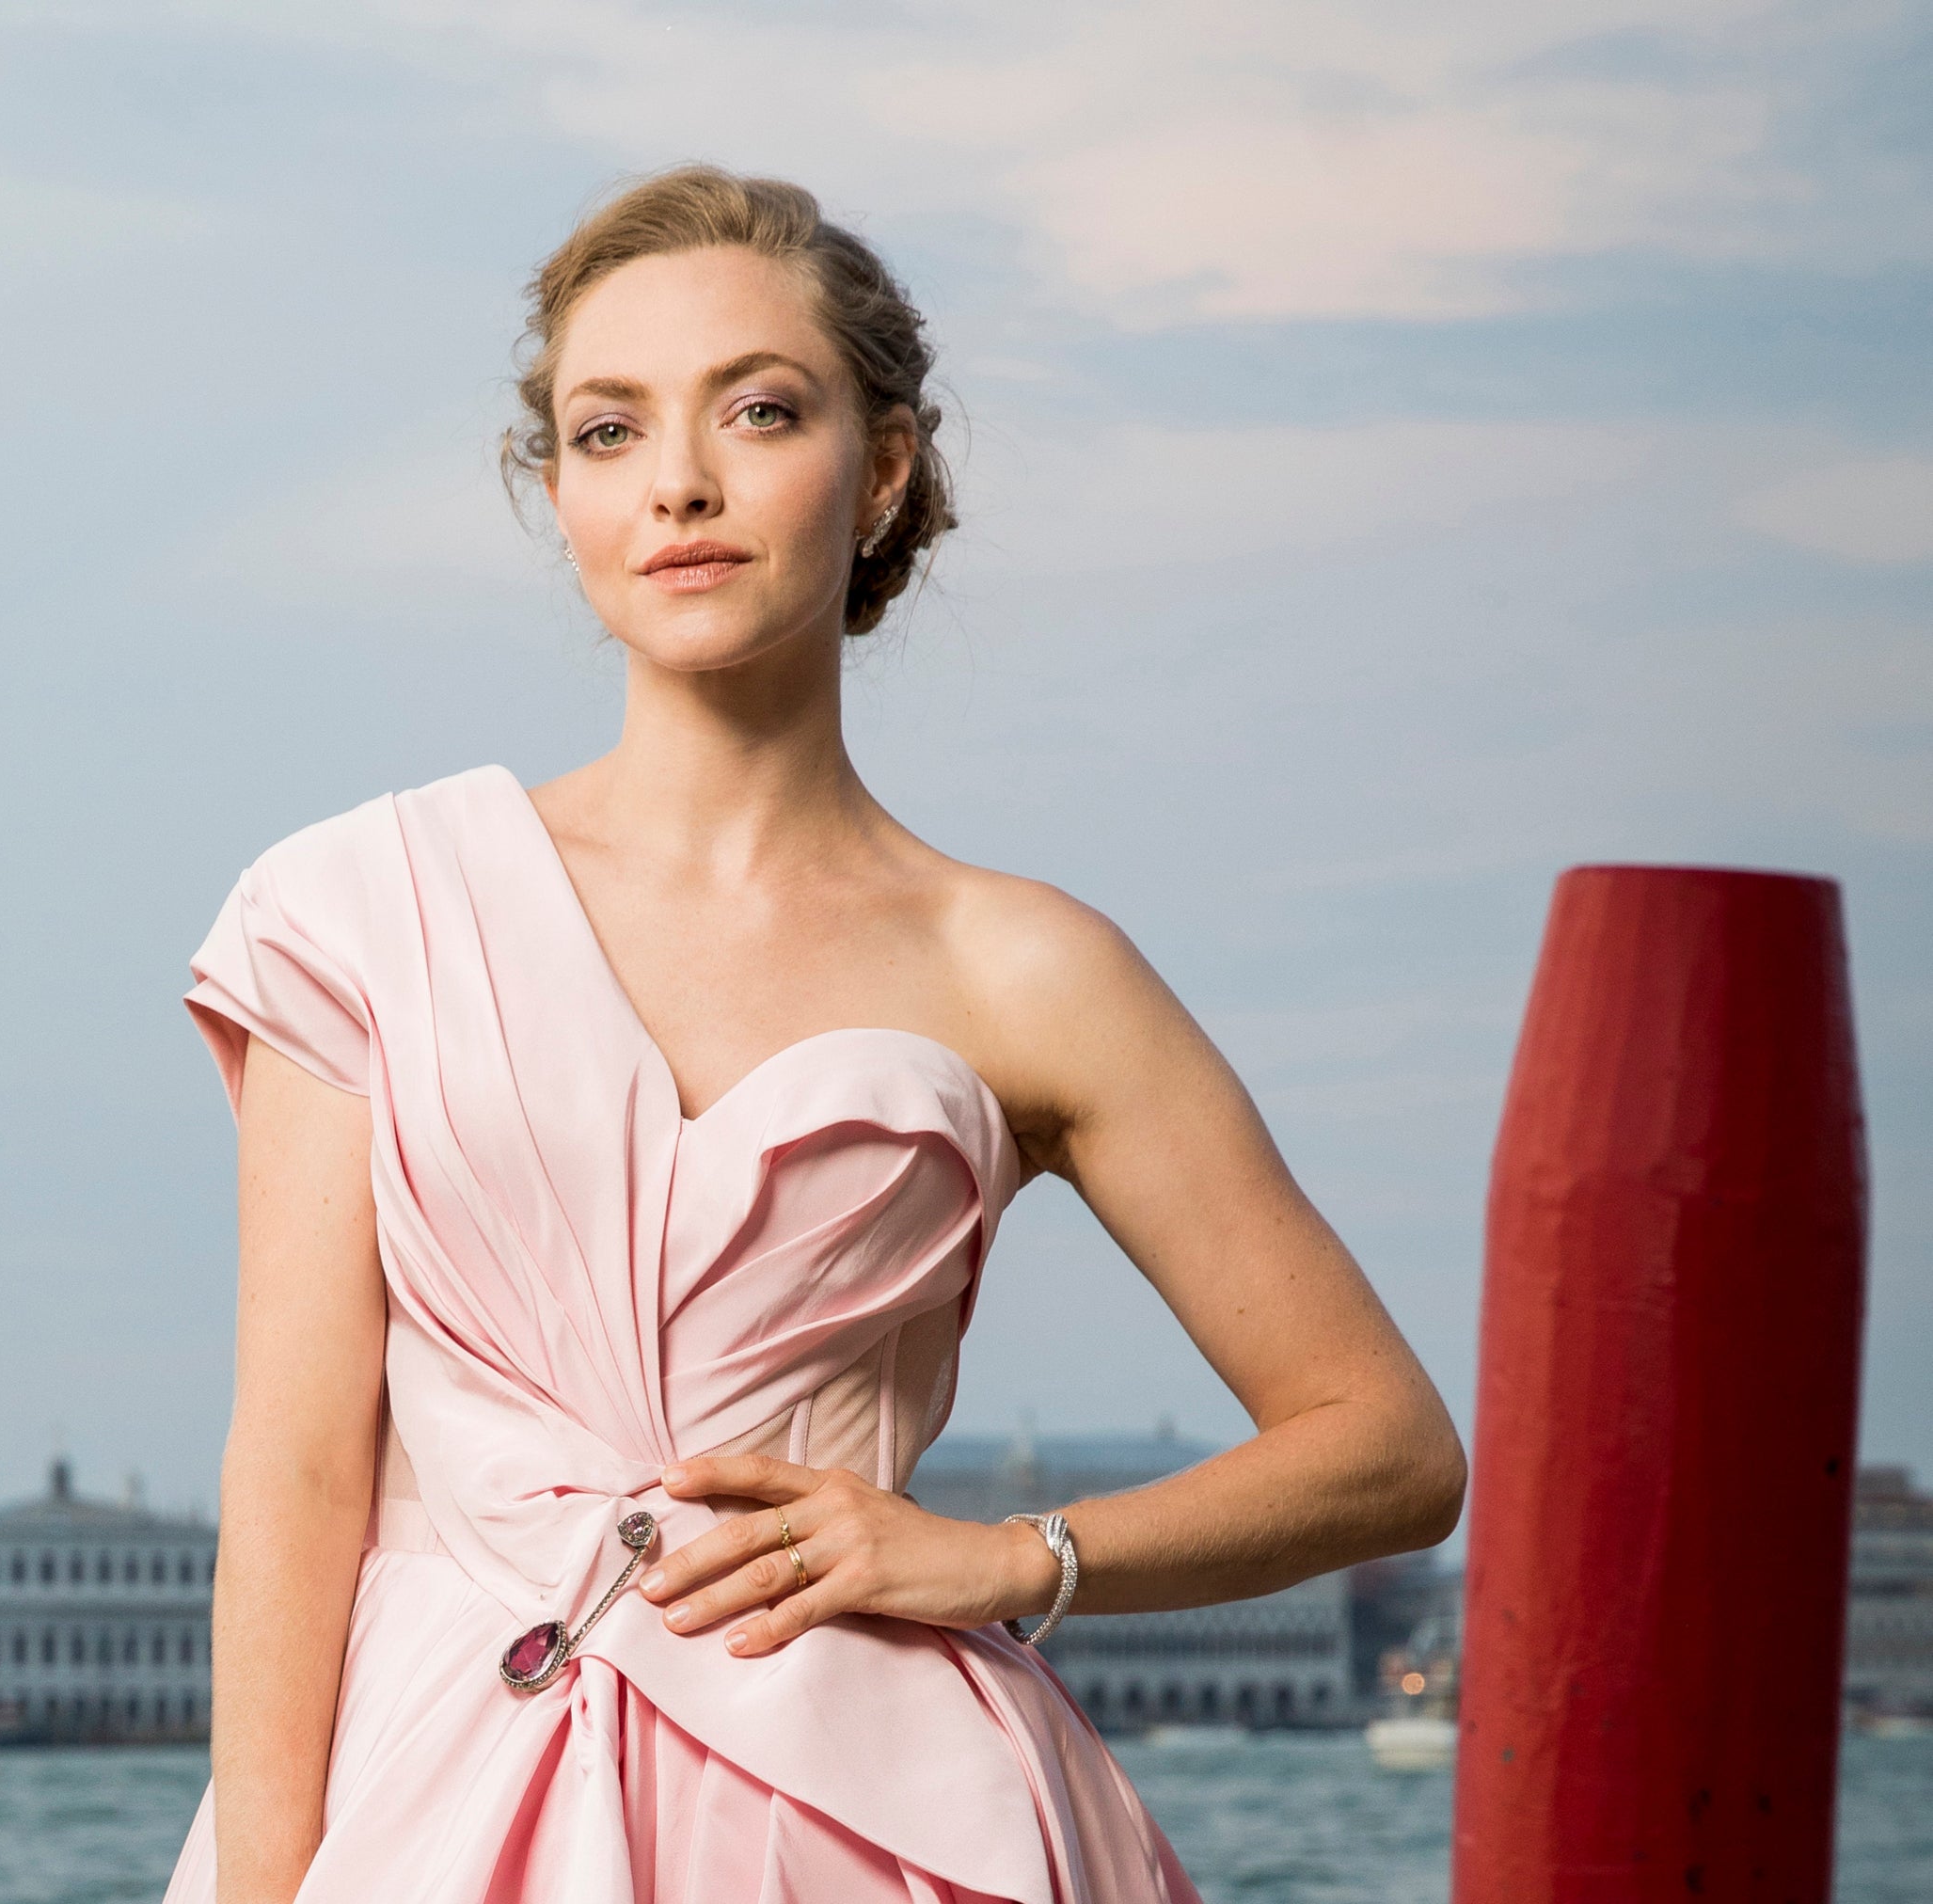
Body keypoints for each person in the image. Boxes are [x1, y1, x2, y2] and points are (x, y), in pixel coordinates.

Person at [160, 166, 1466, 1904]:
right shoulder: (361, 907)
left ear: (888, 469)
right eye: (607, 431)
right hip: (439, 1802)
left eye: (758, 411)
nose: (681, 482)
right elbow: (300, 1471)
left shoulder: (1028, 968)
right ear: (556, 490)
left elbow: (1387, 1449)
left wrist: (1002, 1559)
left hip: (887, 1820)